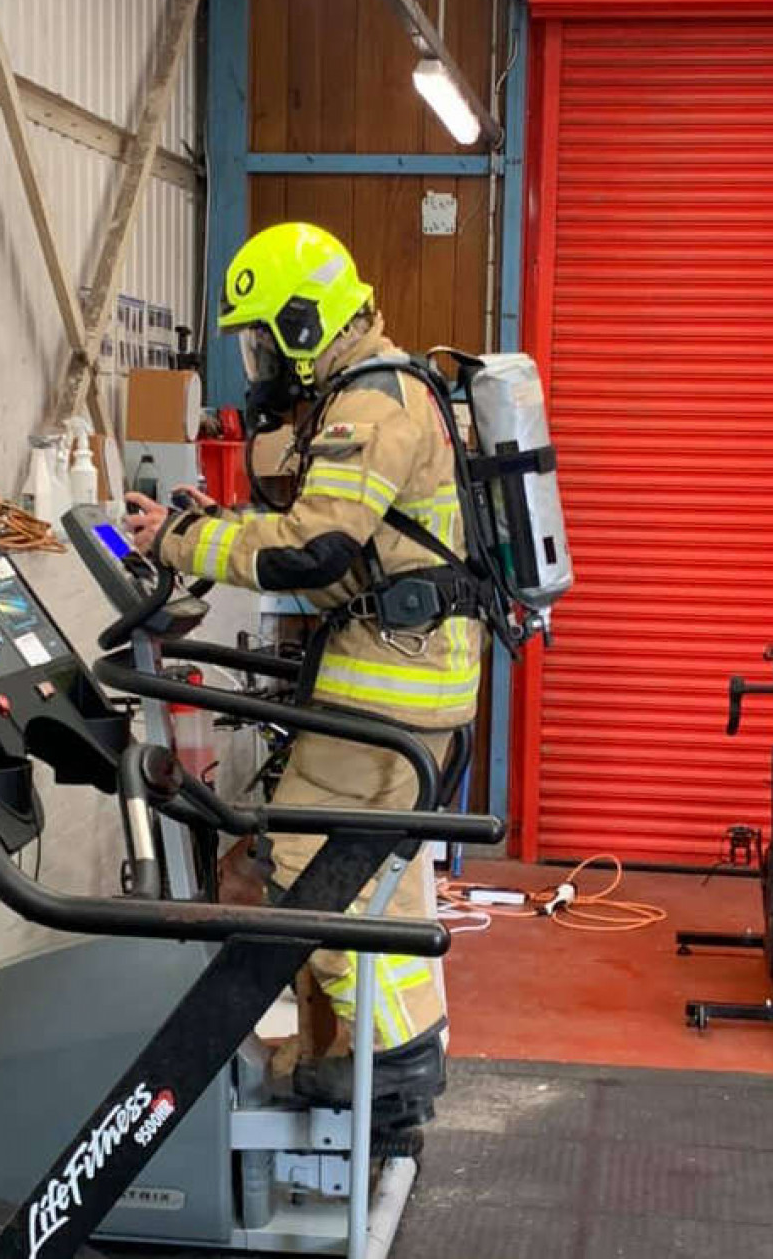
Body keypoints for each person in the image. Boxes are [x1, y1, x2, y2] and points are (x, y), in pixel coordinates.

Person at [125, 221, 481, 1131]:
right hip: (414, 675)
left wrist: (176, 540)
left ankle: (390, 1064)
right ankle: (386, 1056)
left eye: (260, 336)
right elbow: (336, 525)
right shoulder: (383, 388)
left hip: (389, 683)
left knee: (309, 864)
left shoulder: (371, 404)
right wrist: (221, 519)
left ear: (300, 320)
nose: (257, 358)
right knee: (376, 873)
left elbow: (316, 550)